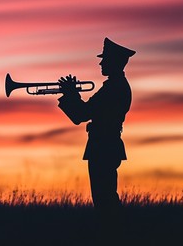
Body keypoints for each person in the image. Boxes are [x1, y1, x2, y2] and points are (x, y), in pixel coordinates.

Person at [57, 38, 135, 224]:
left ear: (114, 62)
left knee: (104, 198)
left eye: (105, 60)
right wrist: (71, 95)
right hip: (105, 145)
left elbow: (81, 115)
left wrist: (70, 94)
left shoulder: (113, 89)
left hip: (103, 146)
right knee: (104, 196)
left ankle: (112, 236)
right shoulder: (114, 87)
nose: (101, 63)